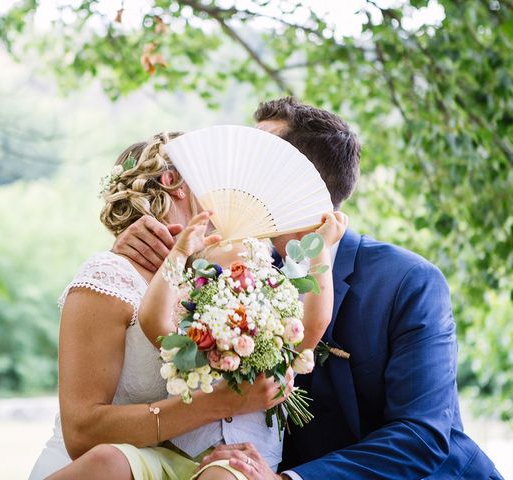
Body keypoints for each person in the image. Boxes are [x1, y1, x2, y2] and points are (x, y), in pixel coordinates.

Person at [113, 98, 502, 479]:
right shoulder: (229, 271)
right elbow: (154, 315)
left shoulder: (409, 281)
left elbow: (421, 436)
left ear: (297, 180)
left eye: (255, 158)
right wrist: (125, 254)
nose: (235, 170)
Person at [28, 133, 294, 480]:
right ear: (174, 182)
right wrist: (221, 402)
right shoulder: (110, 275)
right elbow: (81, 434)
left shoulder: (206, 278)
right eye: (211, 176)